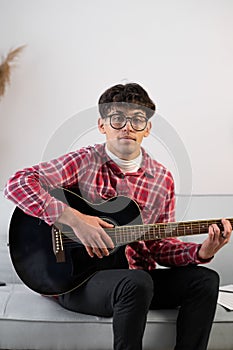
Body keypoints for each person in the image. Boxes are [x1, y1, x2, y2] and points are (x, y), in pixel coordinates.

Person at [4, 83, 232, 350]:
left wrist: (201, 252)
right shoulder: (85, 161)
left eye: (137, 119)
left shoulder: (162, 179)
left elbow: (159, 246)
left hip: (136, 280)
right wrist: (76, 220)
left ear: (147, 129)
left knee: (204, 279)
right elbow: (17, 183)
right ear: (102, 126)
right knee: (137, 281)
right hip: (76, 279)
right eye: (118, 118)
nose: (127, 127)